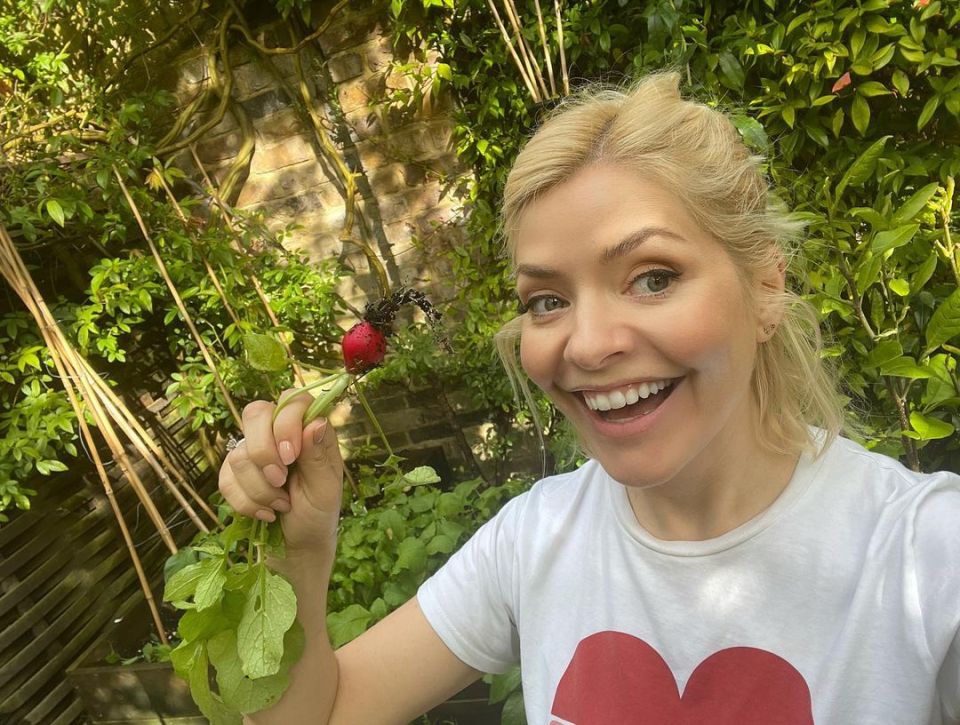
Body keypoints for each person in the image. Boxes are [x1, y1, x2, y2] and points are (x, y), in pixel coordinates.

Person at [218, 72, 960, 724]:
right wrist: (300, 553)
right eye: (547, 299)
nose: (587, 344)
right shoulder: (534, 540)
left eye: (653, 277)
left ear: (766, 286)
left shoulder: (923, 558)